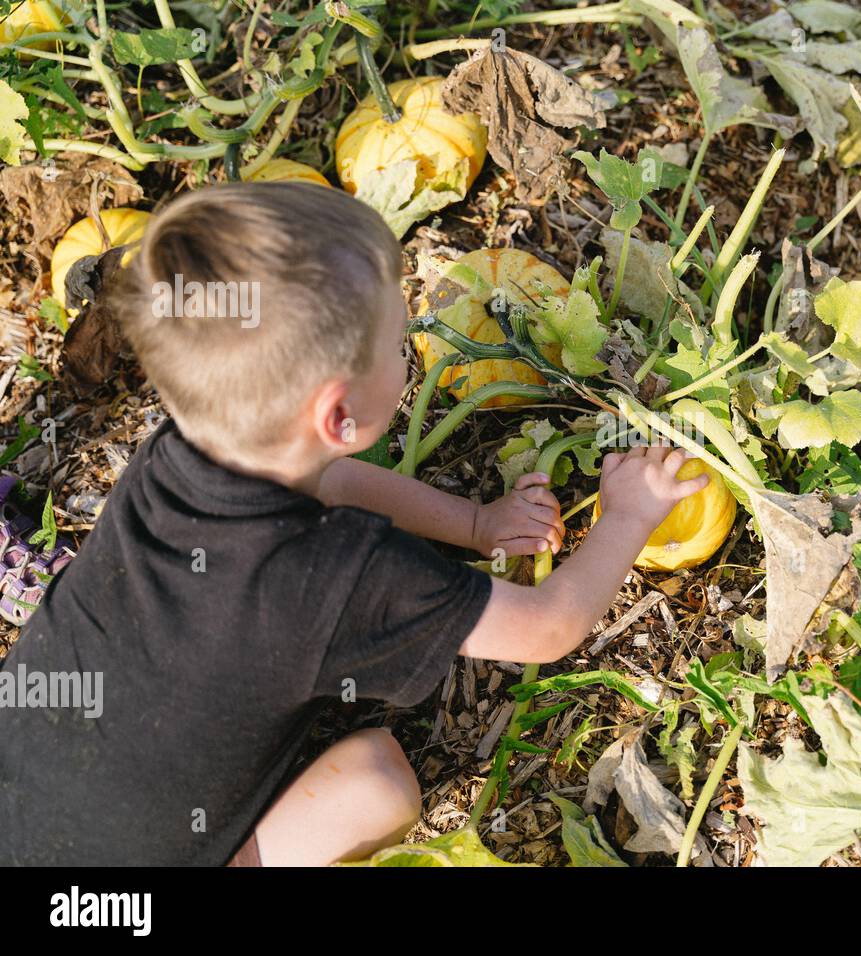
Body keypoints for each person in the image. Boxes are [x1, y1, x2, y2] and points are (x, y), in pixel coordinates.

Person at [0, 183, 707, 866]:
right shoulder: (335, 575)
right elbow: (550, 627)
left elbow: (331, 479)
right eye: (399, 344)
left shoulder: (171, 458)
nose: (409, 349)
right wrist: (629, 514)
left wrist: (479, 523)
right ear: (339, 416)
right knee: (377, 782)